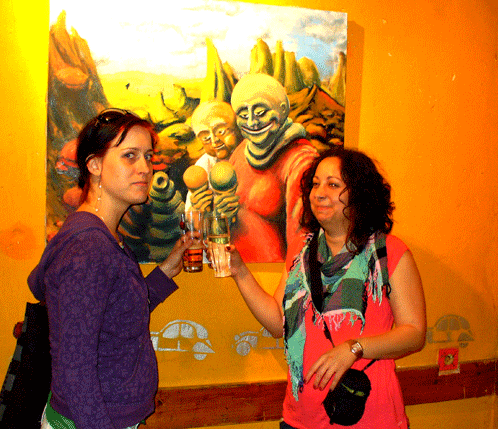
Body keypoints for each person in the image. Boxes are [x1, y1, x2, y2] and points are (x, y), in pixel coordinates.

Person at [227, 147, 426, 428]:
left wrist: (354, 348)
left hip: (369, 417)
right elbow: (277, 322)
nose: (319, 193)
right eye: (315, 184)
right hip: (301, 419)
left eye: (332, 185)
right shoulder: (301, 250)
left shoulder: (388, 252)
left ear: (359, 194)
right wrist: (239, 271)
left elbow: (414, 333)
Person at [28, 109, 195, 429]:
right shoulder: (89, 250)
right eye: (130, 155)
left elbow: (116, 313)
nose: (145, 168)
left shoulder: (100, 236)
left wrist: (166, 271)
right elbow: (76, 371)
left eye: (148, 156)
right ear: (94, 166)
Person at [226, 73, 318, 263]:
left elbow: (301, 241)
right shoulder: (241, 151)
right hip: (235, 269)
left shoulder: (300, 160)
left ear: (282, 109)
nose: (252, 122)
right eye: (243, 115)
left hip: (275, 274)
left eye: (260, 112)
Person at [184, 100, 241, 212]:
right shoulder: (203, 165)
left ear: (236, 127)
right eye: (206, 138)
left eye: (221, 131)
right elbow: (190, 212)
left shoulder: (249, 154)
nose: (214, 141)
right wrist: (197, 208)